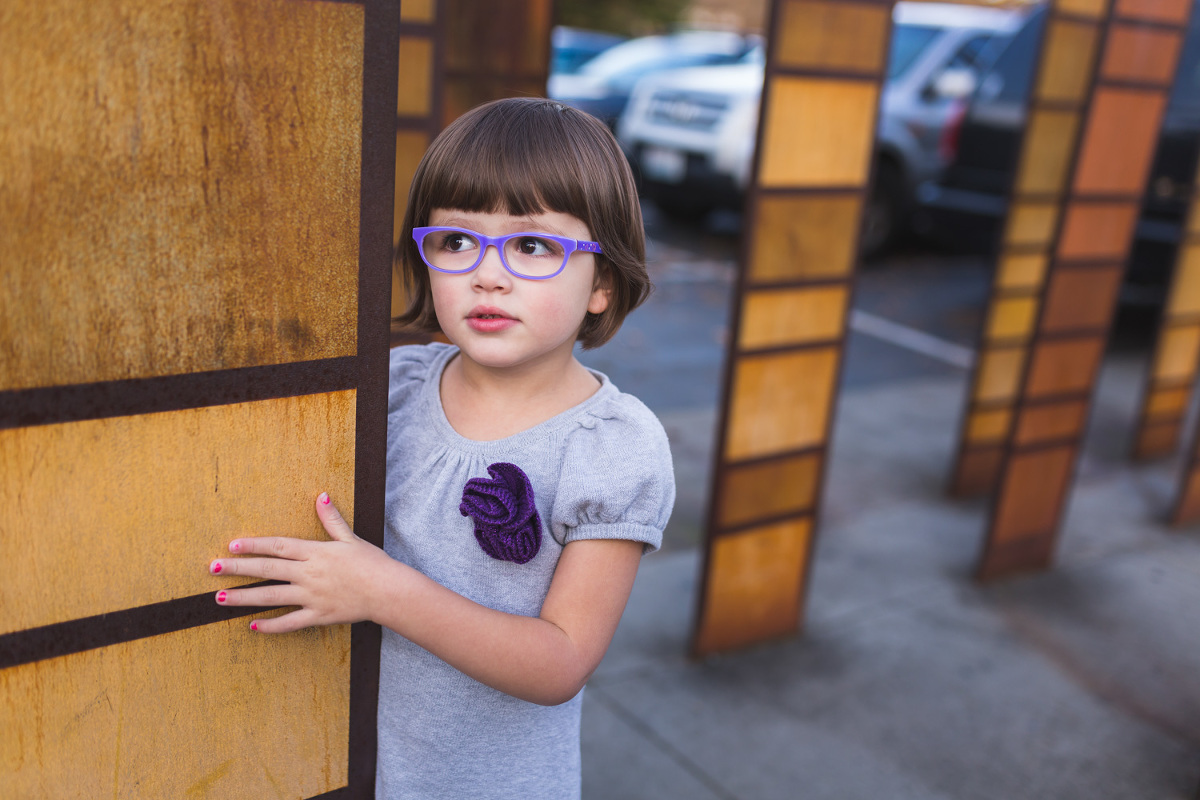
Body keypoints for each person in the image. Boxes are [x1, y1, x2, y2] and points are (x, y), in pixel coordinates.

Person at [208, 97, 676, 799]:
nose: (487, 273)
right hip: (357, 766)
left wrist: (381, 590)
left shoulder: (612, 447)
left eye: (533, 246)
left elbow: (560, 662)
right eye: (457, 241)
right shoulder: (394, 386)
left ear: (602, 283)